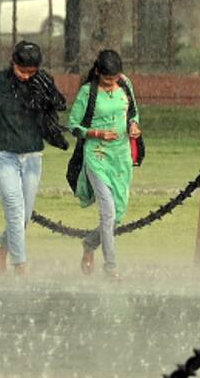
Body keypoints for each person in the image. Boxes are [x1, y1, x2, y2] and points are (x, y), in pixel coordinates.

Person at [0, 41, 67, 275]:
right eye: (21, 70)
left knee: (25, 215)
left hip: (32, 155)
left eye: (31, 72)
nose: (25, 76)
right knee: (14, 209)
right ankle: (21, 267)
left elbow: (58, 106)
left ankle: (3, 248)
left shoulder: (41, 82)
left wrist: (47, 90)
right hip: (3, 154)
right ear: (13, 62)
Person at [67, 50, 141, 280]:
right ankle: (111, 268)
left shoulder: (125, 85)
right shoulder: (87, 93)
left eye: (115, 80)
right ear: (98, 72)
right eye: (107, 81)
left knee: (117, 214)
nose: (111, 85)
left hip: (120, 157)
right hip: (96, 157)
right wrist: (95, 133)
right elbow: (73, 125)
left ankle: (90, 243)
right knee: (107, 213)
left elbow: (133, 113)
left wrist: (134, 126)